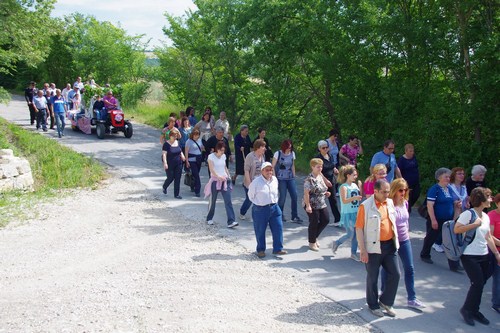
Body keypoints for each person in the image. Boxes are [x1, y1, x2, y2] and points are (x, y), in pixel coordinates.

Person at [355, 179, 400, 318]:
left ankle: (386, 302)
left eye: (388, 191)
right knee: (373, 277)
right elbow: (359, 228)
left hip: (389, 246)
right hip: (373, 247)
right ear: (376, 191)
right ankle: (373, 305)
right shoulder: (365, 206)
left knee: (396, 274)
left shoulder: (390, 202)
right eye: (384, 192)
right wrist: (363, 250)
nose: (387, 194)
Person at [455, 187, 499, 326]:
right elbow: (457, 229)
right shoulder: (468, 214)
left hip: (483, 254)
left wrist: (497, 254)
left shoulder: (485, 216)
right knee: (477, 283)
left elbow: (488, 237)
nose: (491, 199)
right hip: (469, 255)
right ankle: (466, 310)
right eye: (489, 197)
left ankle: (474, 310)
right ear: (481, 199)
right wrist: (473, 225)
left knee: (480, 284)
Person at [381, 178, 426, 309]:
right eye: (400, 190)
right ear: (394, 190)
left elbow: (405, 220)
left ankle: (412, 298)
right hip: (391, 240)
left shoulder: (405, 203)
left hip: (404, 239)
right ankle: (383, 293)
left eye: (405, 189)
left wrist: (407, 231)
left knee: (409, 268)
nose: (403, 192)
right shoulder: (388, 204)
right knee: (388, 268)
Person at [419, 168, 461, 271]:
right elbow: (430, 205)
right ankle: (425, 254)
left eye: (449, 176)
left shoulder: (449, 189)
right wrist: (433, 220)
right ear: (439, 178)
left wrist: (456, 205)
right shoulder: (435, 189)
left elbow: (453, 201)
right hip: (437, 218)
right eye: (446, 176)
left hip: (448, 220)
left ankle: (454, 264)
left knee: (450, 241)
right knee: (431, 237)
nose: (448, 178)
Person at [248, 161, 286, 258]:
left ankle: (278, 249)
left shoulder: (274, 180)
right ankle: (260, 250)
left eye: (271, 170)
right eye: (267, 170)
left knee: (278, 227)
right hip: (260, 209)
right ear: (262, 171)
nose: (269, 172)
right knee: (260, 230)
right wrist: (259, 202)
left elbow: (276, 192)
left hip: (274, 207)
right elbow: (250, 195)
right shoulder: (256, 182)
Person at [331, 165, 362, 261]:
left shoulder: (355, 185)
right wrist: (354, 198)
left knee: (357, 234)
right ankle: (337, 242)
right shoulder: (343, 187)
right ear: (348, 175)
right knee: (350, 234)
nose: (356, 177)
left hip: (356, 212)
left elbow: (359, 197)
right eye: (354, 175)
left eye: (356, 175)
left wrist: (360, 188)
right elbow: (344, 201)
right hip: (348, 213)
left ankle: (353, 253)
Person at [204, 141, 237, 228]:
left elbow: (224, 166)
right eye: (221, 150)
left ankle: (231, 221)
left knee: (228, 201)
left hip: (225, 180)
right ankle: (209, 218)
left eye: (224, 150)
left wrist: (228, 175)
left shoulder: (223, 156)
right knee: (213, 201)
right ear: (217, 149)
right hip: (215, 180)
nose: (223, 152)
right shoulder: (211, 157)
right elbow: (211, 169)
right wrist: (218, 177)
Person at [303, 158, 331, 251]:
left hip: (321, 203)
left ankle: (314, 237)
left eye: (321, 166)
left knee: (325, 220)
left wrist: (326, 193)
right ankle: (312, 242)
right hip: (311, 203)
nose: (320, 168)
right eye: (318, 167)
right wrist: (308, 206)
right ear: (312, 167)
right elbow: (306, 193)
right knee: (314, 222)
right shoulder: (309, 179)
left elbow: (324, 188)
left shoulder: (320, 176)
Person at [272, 139, 301, 223]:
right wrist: (274, 178)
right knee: (282, 197)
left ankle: (294, 216)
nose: (289, 149)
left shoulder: (292, 154)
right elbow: (272, 166)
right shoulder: (278, 153)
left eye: (290, 147)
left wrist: (294, 175)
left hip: (290, 177)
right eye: (288, 147)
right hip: (281, 178)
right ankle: (279, 214)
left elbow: (292, 165)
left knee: (294, 196)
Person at [239, 139, 267, 221]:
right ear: (258, 147)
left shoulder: (263, 156)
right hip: (251, 181)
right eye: (263, 147)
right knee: (250, 199)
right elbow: (246, 170)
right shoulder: (250, 156)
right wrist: (249, 183)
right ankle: (242, 212)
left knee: (259, 198)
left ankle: (257, 215)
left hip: (260, 182)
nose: (265, 148)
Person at [316, 140, 341, 225]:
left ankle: (337, 219)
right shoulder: (318, 158)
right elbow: (318, 172)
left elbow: (332, 165)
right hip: (321, 181)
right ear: (319, 149)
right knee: (320, 200)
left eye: (327, 147)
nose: (326, 149)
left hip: (331, 180)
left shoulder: (330, 155)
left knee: (333, 199)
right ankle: (318, 218)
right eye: (323, 148)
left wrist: (335, 169)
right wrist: (325, 181)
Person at [162, 128, 185, 199]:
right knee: (170, 178)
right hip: (170, 163)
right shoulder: (166, 144)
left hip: (178, 163)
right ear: (170, 136)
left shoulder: (178, 142)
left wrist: (183, 156)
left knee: (178, 178)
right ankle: (165, 186)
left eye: (176, 136)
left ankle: (176, 194)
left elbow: (180, 151)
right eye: (174, 136)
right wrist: (165, 163)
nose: (175, 137)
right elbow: (164, 154)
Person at [397, 143, 420, 212]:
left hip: (415, 181)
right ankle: (407, 207)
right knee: (408, 195)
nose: (412, 153)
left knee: (416, 194)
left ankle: (408, 205)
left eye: (412, 151)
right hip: (406, 181)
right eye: (410, 151)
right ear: (406, 151)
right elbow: (398, 171)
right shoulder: (402, 160)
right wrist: (400, 181)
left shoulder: (413, 157)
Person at [489, 193, 500, 314]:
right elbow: (490, 236)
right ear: (497, 203)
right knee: (498, 277)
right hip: (494, 249)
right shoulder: (492, 215)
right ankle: (496, 303)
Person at [184, 129, 203, 197]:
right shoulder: (188, 142)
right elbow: (186, 152)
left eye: (197, 135)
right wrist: (186, 161)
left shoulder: (200, 140)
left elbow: (201, 148)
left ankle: (192, 185)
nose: (196, 136)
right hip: (192, 160)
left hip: (198, 159)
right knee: (196, 175)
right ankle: (197, 190)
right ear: (192, 135)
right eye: (195, 135)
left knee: (195, 174)